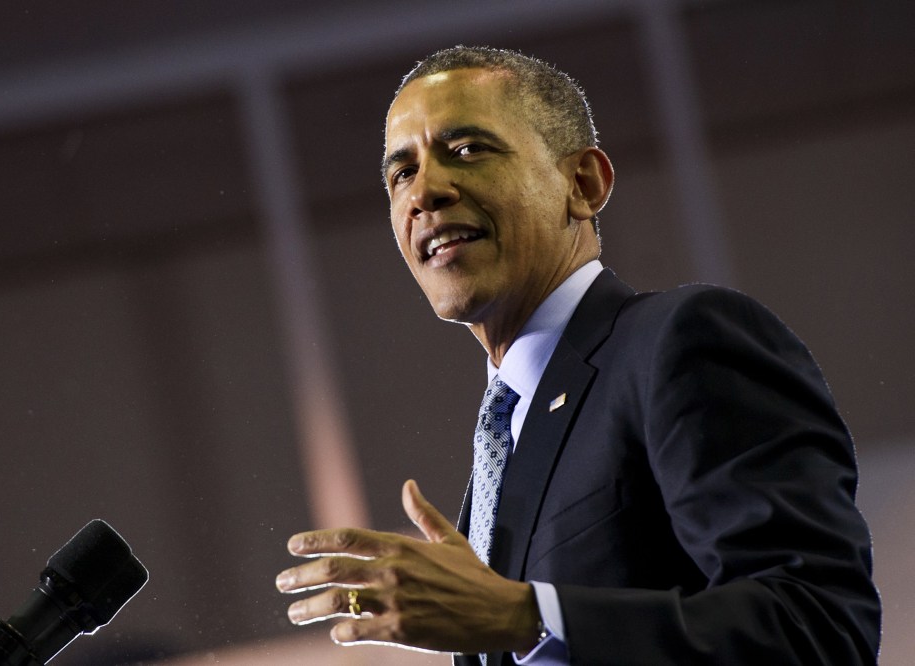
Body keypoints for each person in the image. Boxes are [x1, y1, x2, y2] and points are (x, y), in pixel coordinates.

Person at [275, 46, 881, 665]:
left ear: (583, 183)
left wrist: (526, 616)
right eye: (401, 172)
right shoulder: (508, 435)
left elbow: (818, 626)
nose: (424, 192)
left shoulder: (680, 342)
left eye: (468, 150)